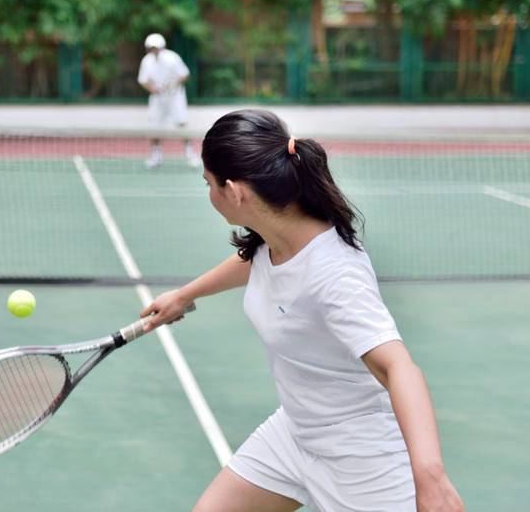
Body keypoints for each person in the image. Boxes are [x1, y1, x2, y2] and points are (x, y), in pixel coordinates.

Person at [141, 109, 464, 512]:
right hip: (296, 433)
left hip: (361, 458)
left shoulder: (335, 274)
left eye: (208, 183)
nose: (207, 194)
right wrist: (185, 294)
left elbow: (398, 367)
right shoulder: (280, 234)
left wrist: (430, 478)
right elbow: (258, 261)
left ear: (235, 191)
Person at [137, 32, 200, 169]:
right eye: (151, 47)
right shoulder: (146, 61)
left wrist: (173, 84)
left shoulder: (172, 58)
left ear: (162, 47)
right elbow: (143, 80)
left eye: (156, 47)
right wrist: (152, 89)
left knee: (182, 123)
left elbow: (185, 74)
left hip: (175, 97)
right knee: (154, 127)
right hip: (157, 99)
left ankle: (191, 155)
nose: (154, 50)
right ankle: (156, 157)